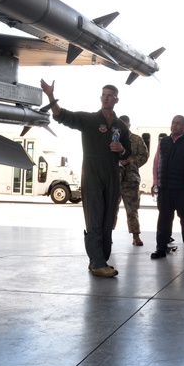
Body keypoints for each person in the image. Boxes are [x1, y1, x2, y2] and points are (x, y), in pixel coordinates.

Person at [40, 80, 132, 278]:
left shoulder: (121, 127)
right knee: (94, 218)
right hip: (92, 173)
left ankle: (101, 260)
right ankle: (97, 261)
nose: (106, 98)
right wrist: (50, 96)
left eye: (110, 95)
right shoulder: (89, 120)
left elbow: (128, 155)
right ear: (101, 98)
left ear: (116, 99)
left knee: (109, 219)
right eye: (103, 94)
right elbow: (62, 115)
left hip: (112, 175)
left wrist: (121, 149)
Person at [151, 115, 184, 261]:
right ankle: (161, 248)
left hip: (183, 190)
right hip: (165, 189)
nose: (174, 125)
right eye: (173, 122)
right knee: (163, 221)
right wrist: (156, 182)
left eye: (178, 123)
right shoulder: (163, 142)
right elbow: (156, 162)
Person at [115, 115, 149, 246]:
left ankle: (136, 236)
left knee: (132, 210)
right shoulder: (113, 139)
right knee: (111, 210)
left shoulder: (136, 139)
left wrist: (130, 161)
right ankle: (108, 235)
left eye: (125, 125)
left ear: (129, 125)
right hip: (114, 179)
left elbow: (144, 156)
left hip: (131, 179)